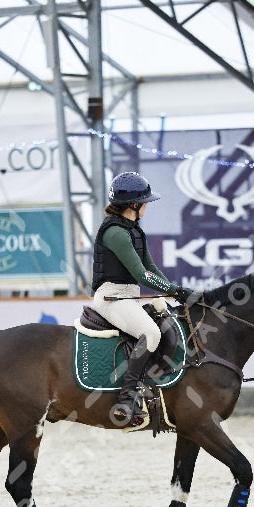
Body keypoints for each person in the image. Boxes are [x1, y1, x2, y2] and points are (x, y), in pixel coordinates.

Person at [91, 171, 197, 424]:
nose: (148, 205)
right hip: (111, 299)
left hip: (127, 298)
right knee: (151, 334)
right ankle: (126, 398)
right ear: (134, 204)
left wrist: (175, 291)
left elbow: (151, 268)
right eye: (146, 201)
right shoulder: (116, 232)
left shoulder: (133, 230)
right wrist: (177, 291)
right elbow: (141, 274)